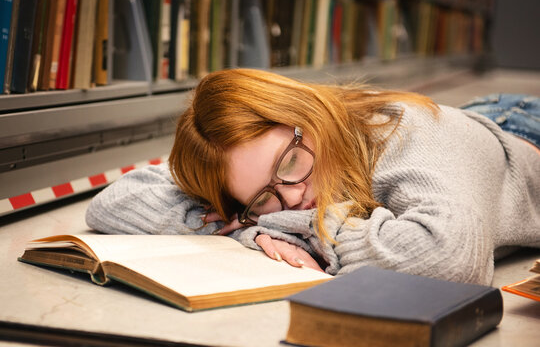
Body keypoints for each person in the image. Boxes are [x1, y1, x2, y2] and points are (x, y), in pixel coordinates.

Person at [86, 68, 540, 285]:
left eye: (289, 164)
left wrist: (305, 230)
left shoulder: (414, 133)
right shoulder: (268, 156)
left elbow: (449, 258)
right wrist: (249, 227)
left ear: (306, 115)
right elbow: (115, 201)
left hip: (521, 130)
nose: (296, 196)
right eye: (264, 198)